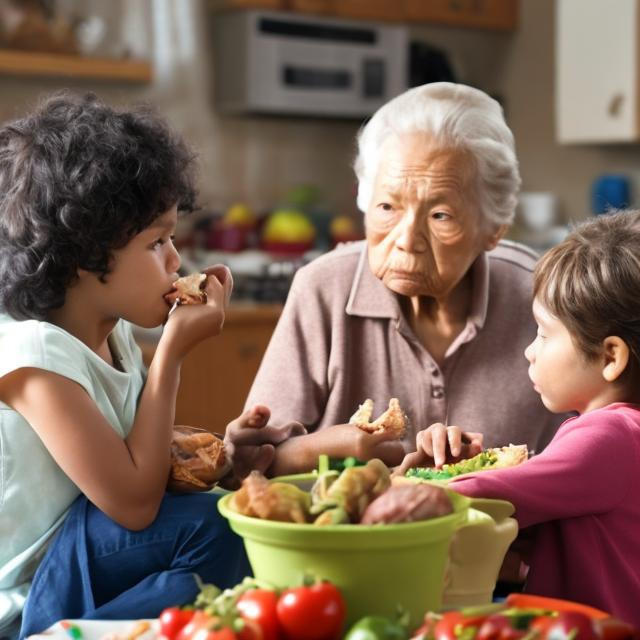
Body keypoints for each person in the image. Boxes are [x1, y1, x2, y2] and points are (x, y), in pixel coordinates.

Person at [0, 92, 265, 638]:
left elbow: (138, 455)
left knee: (238, 519)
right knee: (222, 533)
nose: (176, 260)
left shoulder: (113, 334)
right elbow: (134, 505)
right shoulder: (34, 358)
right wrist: (172, 351)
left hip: (88, 547)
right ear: (85, 253)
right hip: (34, 588)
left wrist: (225, 456)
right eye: (156, 242)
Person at [237, 82, 566, 477]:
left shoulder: (544, 297)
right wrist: (335, 449)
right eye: (388, 206)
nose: (407, 240)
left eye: (440, 215)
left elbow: (602, 449)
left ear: (494, 229)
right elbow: (251, 465)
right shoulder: (322, 289)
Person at [404, 211, 640, 624]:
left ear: (610, 357)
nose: (530, 351)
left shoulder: (608, 438)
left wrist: (405, 485)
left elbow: (480, 493)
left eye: (544, 334)